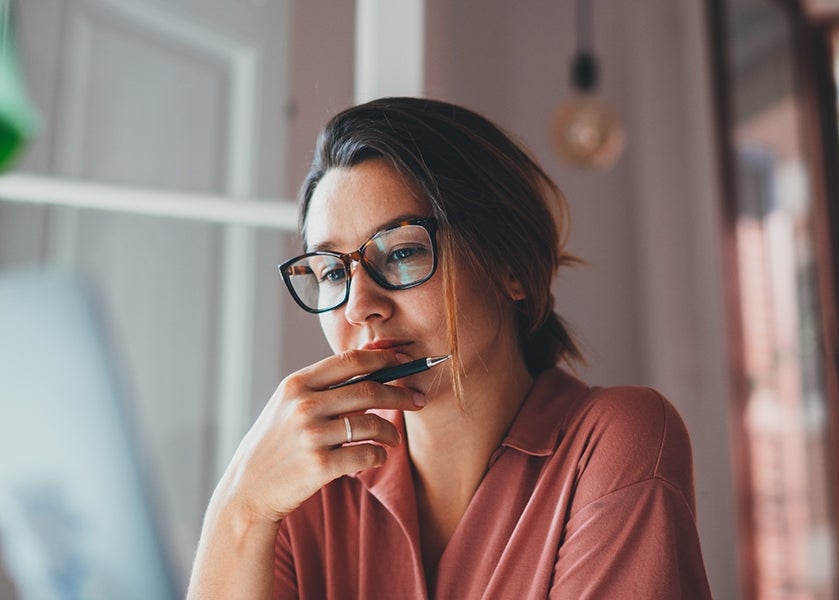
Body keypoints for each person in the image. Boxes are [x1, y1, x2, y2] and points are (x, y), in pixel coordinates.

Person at [187, 97, 711, 599]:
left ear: (510, 267)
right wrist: (241, 508)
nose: (358, 306)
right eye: (331, 272)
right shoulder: (305, 489)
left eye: (403, 252)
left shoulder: (615, 441)